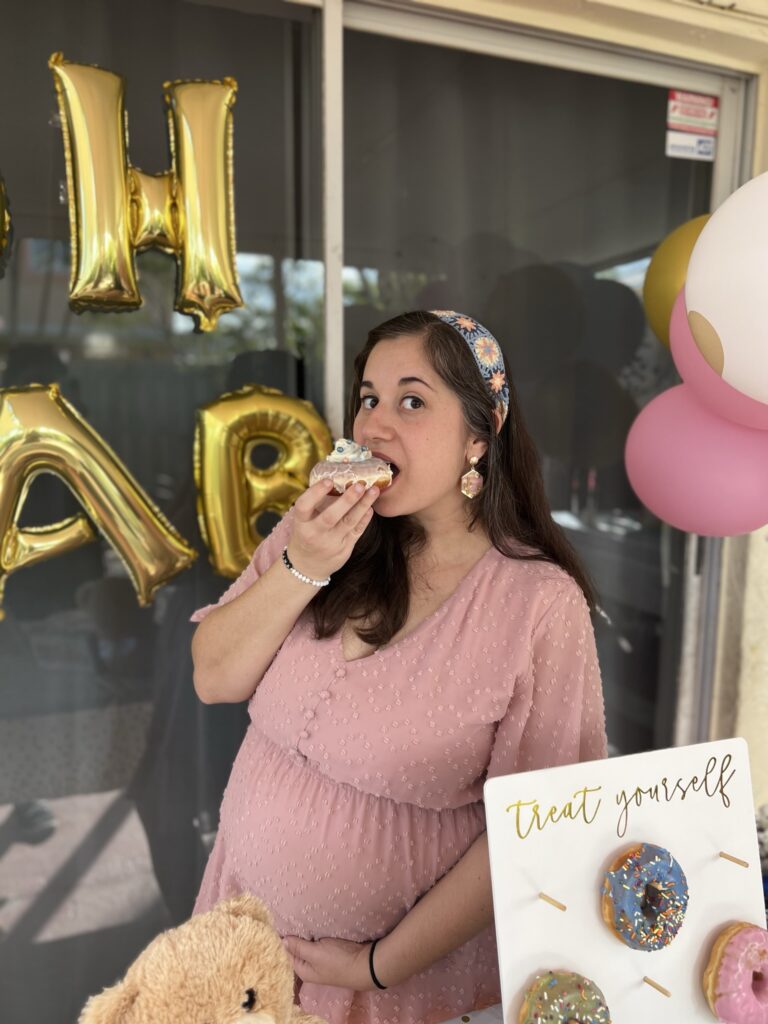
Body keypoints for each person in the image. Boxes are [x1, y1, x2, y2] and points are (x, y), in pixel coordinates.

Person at [190, 310, 607, 1024]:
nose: (375, 425)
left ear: (480, 435)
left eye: (412, 401)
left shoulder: (538, 606)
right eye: (369, 398)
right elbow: (213, 678)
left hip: (392, 991)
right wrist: (302, 567)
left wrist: (377, 966)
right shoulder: (320, 527)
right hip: (237, 938)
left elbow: (530, 828)